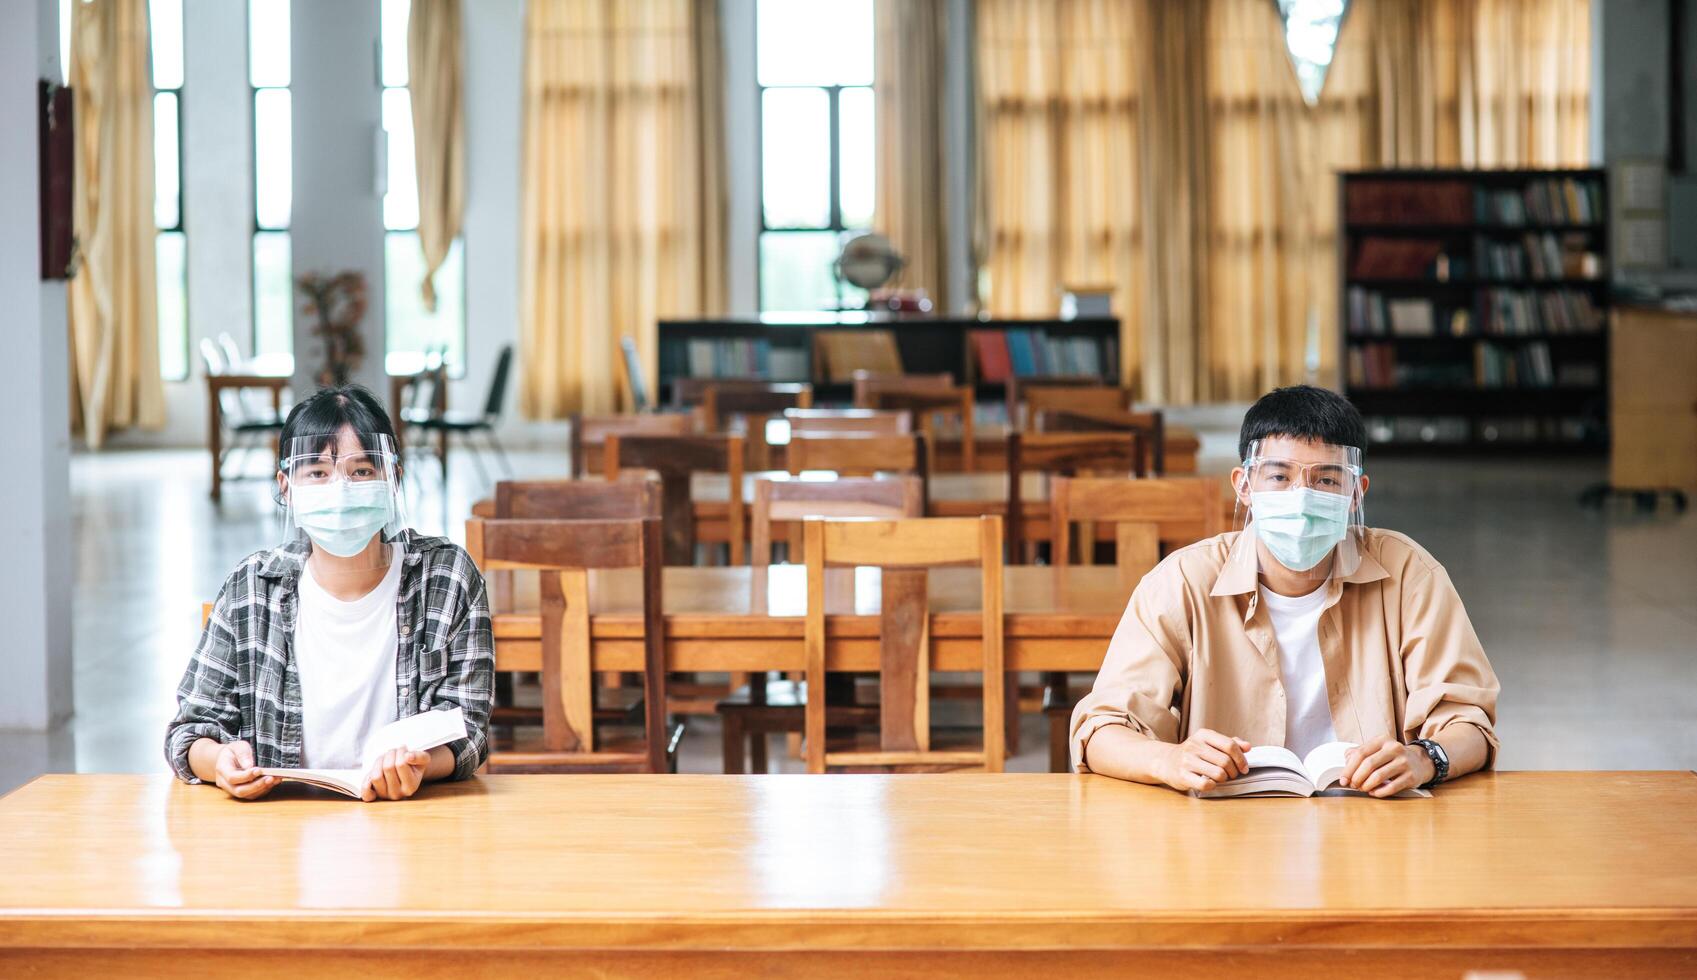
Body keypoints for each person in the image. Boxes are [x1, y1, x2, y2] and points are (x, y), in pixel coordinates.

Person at [1072, 385, 1499, 797]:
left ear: (1356, 493)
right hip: (1226, 833)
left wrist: (1424, 758)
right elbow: (1102, 730)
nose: (1302, 498)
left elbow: (1470, 725)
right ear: (1243, 484)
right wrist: (1170, 761)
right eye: (1279, 476)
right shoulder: (1182, 582)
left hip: (1371, 827)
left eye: (1328, 481)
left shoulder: (1409, 575)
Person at [166, 384, 493, 802]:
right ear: (286, 487)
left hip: (407, 825)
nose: (340, 490)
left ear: (394, 478)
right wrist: (219, 763)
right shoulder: (252, 587)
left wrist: (421, 766)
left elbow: (470, 731)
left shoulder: (446, 578)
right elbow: (191, 730)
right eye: (317, 472)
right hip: (280, 830)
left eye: (361, 471)